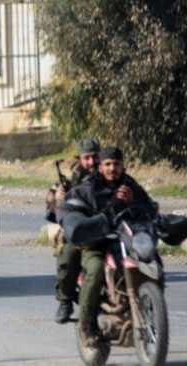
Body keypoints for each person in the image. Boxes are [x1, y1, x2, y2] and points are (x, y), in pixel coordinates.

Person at [56, 147, 156, 346]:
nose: (113, 169)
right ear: (100, 167)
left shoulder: (131, 186)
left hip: (125, 241)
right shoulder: (88, 188)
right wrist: (115, 204)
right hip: (96, 244)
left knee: (150, 261)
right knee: (95, 269)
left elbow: (150, 209)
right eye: (108, 164)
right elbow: (70, 209)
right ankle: (86, 326)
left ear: (123, 166)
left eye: (116, 164)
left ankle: (149, 308)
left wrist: (133, 203)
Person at [50, 139, 100, 324]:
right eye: (87, 158)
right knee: (68, 257)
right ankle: (65, 301)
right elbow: (52, 209)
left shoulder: (109, 172)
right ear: (79, 159)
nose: (92, 162)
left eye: (95, 157)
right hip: (80, 228)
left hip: (108, 226)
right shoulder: (71, 179)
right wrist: (58, 199)